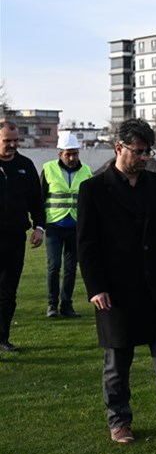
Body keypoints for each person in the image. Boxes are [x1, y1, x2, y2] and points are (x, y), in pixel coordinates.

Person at [77, 118, 156, 448]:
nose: (145, 157)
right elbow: (86, 245)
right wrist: (96, 287)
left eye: (149, 151)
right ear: (119, 148)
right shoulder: (93, 190)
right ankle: (119, 420)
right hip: (115, 291)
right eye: (139, 151)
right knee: (118, 362)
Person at [0, 120, 45, 352]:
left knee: (9, 291)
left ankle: (2, 338)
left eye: (15, 141)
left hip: (15, 239)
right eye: (7, 141)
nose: (12, 145)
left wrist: (39, 227)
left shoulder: (26, 166)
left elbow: (36, 202)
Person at [41, 133, 92, 319]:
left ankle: (67, 305)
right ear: (60, 153)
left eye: (75, 154)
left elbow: (90, 201)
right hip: (54, 225)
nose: (72, 158)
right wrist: (39, 225)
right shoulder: (48, 169)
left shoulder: (86, 171)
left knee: (71, 269)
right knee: (54, 266)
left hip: (76, 227)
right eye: (68, 154)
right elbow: (41, 197)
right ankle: (52, 304)